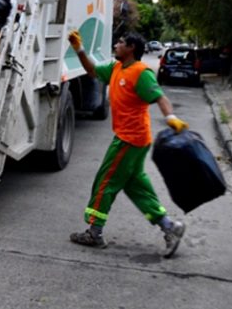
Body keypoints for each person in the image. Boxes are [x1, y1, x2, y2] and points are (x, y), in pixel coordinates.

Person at [68, 30, 189, 258]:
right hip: (131, 139)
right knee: (135, 186)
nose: (116, 45)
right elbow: (92, 70)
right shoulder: (116, 69)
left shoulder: (140, 73)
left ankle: (94, 232)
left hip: (130, 139)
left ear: (131, 48)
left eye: (121, 42)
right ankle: (170, 226)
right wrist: (79, 49)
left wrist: (171, 118)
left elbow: (159, 97)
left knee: (105, 181)